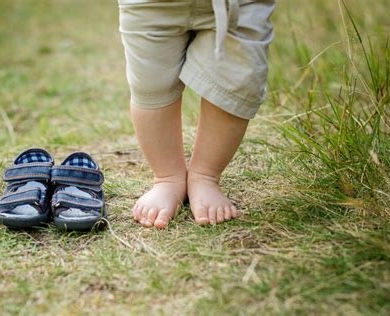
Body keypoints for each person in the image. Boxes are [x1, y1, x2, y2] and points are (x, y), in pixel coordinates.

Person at [118, 0, 275, 228]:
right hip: (149, 4)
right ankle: (167, 177)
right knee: (151, 84)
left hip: (239, 4)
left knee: (234, 80)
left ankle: (205, 175)